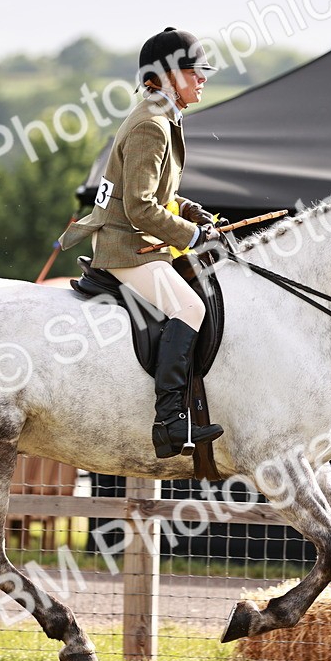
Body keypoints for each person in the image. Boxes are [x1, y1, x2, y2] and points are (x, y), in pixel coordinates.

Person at [59, 27, 224, 459]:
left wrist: (187, 209)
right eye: (195, 70)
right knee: (190, 307)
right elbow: (139, 208)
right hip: (125, 246)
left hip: (141, 240)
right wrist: (192, 236)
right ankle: (169, 422)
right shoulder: (152, 125)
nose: (203, 78)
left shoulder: (163, 115)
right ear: (168, 74)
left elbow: (156, 193)